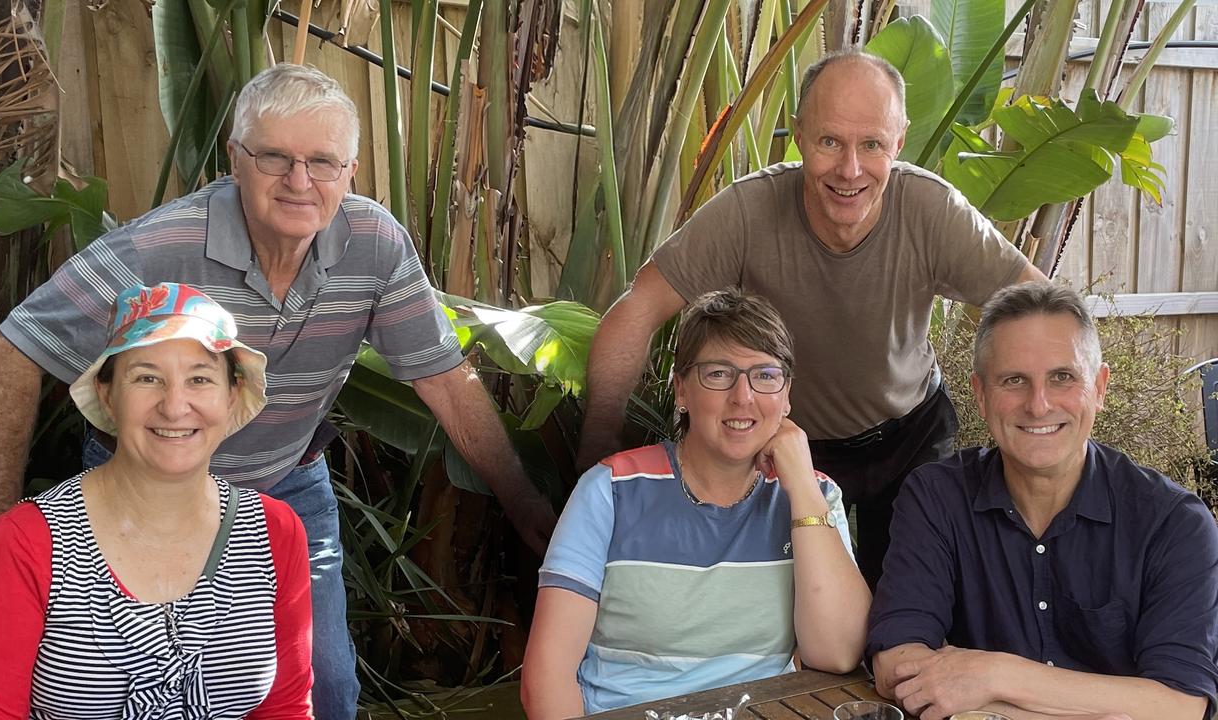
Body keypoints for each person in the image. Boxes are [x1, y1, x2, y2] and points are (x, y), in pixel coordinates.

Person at [0, 63, 556, 718]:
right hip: (141, 485)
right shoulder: (156, 249)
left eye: (323, 163)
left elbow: (445, 380)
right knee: (122, 687)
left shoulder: (376, 246)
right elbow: (12, 349)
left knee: (324, 686)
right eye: (276, 158)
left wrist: (521, 498)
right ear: (235, 161)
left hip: (285, 486)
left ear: (351, 170)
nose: (299, 181)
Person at [576, 49, 1048, 588]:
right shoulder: (748, 211)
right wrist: (598, 440)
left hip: (910, 435)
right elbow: (638, 306)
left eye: (871, 144)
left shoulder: (932, 210)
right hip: (789, 442)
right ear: (799, 135)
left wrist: (1032, 421)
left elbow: (1037, 306)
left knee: (913, 606)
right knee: (794, 612)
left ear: (899, 141)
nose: (850, 170)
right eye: (830, 142)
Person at [0, 283, 313, 718]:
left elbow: (285, 707)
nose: (175, 407)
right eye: (147, 377)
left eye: (199, 378)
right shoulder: (28, 542)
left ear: (230, 396)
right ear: (107, 395)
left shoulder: (275, 532)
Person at [866, 281, 1218, 720]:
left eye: (1063, 377)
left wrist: (995, 676)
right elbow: (895, 664)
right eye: (1014, 380)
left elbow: (1181, 704)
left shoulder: (1172, 523)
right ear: (980, 395)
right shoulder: (935, 498)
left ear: (1100, 388)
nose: (1038, 404)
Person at [521, 290, 871, 718]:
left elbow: (838, 652)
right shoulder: (610, 491)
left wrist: (799, 481)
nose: (743, 397)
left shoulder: (813, 496)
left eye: (765, 375)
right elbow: (547, 676)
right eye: (719, 374)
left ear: (786, 395)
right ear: (681, 390)